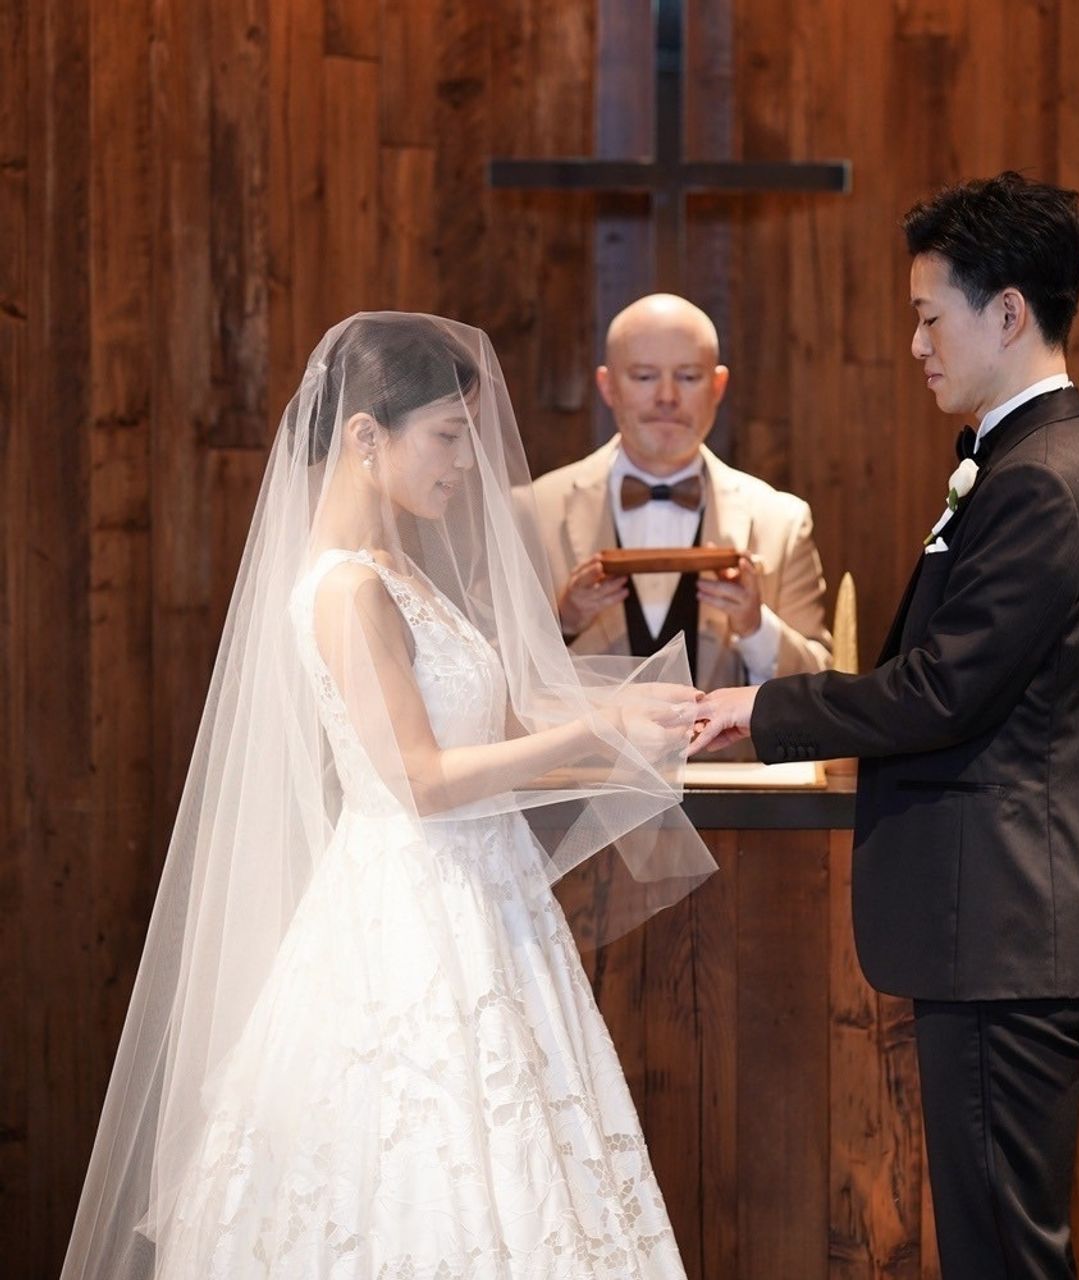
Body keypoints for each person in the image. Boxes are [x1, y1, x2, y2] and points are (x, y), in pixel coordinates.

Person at [61, 313, 717, 1280]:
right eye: (447, 436)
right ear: (366, 436)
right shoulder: (346, 591)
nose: (466, 463)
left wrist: (631, 719)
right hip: (409, 913)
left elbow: (487, 732)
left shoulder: (399, 570)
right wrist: (596, 733)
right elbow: (419, 780)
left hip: (485, 904)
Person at [692, 173, 1079, 1279]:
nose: (915, 344)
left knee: (1001, 1252)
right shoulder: (1026, 462)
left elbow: (943, 691)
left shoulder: (1042, 479)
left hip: (1005, 925)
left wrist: (760, 707)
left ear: (1008, 311)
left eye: (929, 315)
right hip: (1001, 927)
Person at [532, 293, 831, 693]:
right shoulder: (531, 511)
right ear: (607, 386)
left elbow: (821, 686)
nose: (667, 397)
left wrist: (755, 627)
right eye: (644, 377)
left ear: (718, 386)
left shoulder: (781, 522)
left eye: (688, 377)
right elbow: (492, 676)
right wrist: (563, 621)